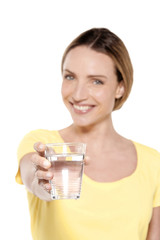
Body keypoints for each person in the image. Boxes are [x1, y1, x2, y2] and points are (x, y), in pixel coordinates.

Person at [16, 28, 160, 240]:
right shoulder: (43, 144)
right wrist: (42, 182)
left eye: (96, 81)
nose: (78, 94)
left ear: (120, 87)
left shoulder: (152, 163)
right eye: (70, 77)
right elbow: (33, 177)